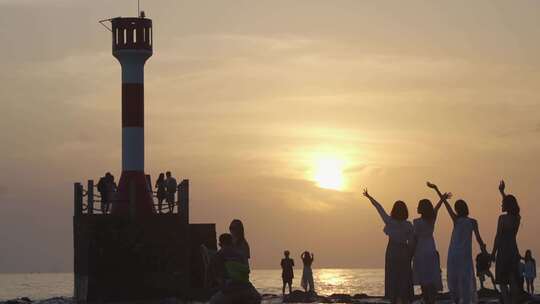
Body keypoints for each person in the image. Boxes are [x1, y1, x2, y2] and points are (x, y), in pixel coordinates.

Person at [428, 182, 487, 304]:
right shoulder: (472, 222)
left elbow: (445, 204)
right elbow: (479, 240)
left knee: (454, 279)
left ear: (457, 210)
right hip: (464, 255)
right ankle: (464, 300)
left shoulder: (456, 220)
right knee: (465, 279)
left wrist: (437, 190)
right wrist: (485, 252)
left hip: (454, 255)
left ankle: (456, 300)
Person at [362, 189, 413, 304]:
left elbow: (379, 208)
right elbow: (412, 241)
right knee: (404, 277)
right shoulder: (408, 225)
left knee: (392, 277)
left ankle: (394, 299)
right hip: (404, 251)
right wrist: (411, 254)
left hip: (392, 250)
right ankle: (403, 299)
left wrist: (369, 197)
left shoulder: (390, 221)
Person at [410, 191, 446, 304]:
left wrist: (411, 254)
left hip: (420, 251)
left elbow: (414, 239)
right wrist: (442, 198)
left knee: (423, 279)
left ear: (422, 208)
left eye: (418, 206)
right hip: (430, 249)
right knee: (431, 278)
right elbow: (437, 207)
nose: (417, 207)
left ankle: (426, 300)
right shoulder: (432, 219)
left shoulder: (416, 222)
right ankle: (432, 301)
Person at [209, 233, 261, 304]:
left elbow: (218, 278)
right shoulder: (241, 254)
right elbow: (247, 272)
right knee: (258, 298)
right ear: (232, 242)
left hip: (230, 291)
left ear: (220, 244)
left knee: (212, 301)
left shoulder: (217, 256)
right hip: (247, 289)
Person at [492, 180, 521, 304]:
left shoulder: (502, 218)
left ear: (507, 205)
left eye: (502, 203)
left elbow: (498, 237)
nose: (501, 204)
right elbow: (511, 206)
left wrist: (493, 253)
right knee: (513, 280)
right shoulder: (517, 218)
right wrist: (502, 192)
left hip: (503, 252)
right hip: (513, 250)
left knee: (503, 282)